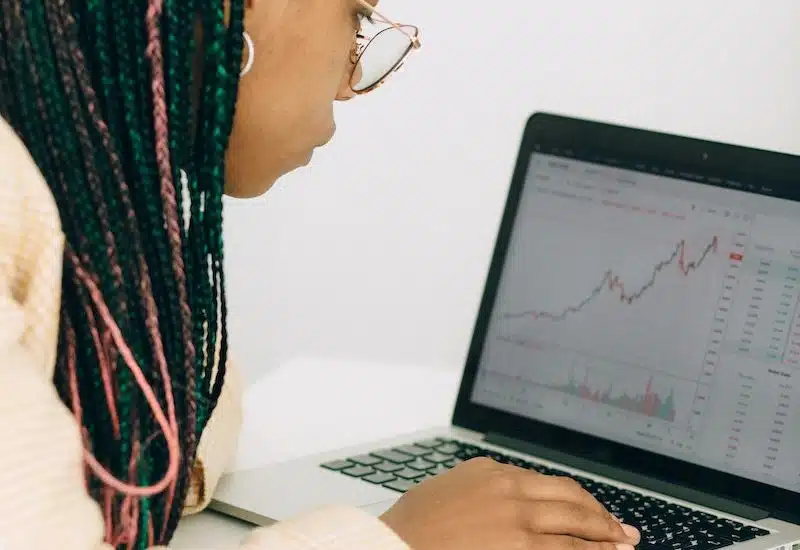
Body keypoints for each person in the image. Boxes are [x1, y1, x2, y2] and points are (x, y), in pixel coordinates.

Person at [0, 1, 644, 549]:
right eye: (355, 16)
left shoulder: (71, 174)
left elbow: (200, 392)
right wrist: (397, 539)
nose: (348, 77)